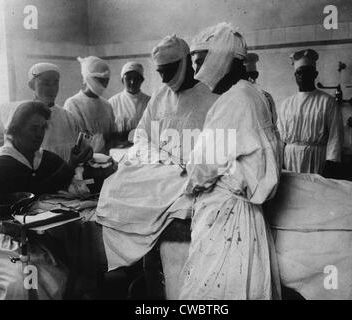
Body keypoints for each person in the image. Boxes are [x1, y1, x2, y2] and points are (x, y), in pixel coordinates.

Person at [95, 35, 219, 287]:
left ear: (185, 63)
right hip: (160, 169)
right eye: (160, 72)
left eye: (168, 71)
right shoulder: (161, 96)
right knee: (116, 186)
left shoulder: (210, 97)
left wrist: (190, 164)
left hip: (191, 175)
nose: (162, 79)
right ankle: (136, 272)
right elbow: (141, 136)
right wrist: (160, 158)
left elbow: (217, 147)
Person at [179, 22, 282, 300]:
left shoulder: (234, 100)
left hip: (228, 217)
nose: (199, 72)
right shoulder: (255, 94)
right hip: (247, 212)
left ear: (221, 59)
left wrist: (188, 175)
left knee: (214, 292)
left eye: (201, 62)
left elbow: (203, 167)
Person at [0, 101, 93, 300]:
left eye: (43, 128)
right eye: (33, 128)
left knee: (55, 276)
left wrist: (83, 161)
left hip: (30, 233)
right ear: (16, 130)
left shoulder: (43, 157)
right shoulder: (2, 162)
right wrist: (70, 164)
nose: (39, 134)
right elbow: (32, 190)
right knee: (20, 280)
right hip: (0, 233)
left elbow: (68, 178)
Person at [277, 49, 344, 175]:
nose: (302, 76)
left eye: (307, 72)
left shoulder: (327, 102)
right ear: (295, 76)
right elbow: (280, 138)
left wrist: (331, 162)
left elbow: (336, 136)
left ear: (315, 74)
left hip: (316, 159)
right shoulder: (286, 104)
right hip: (290, 159)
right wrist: (278, 161)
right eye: (299, 73)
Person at [0, 63, 81, 162]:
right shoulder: (21, 117)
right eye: (45, 83)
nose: (52, 89)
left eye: (55, 83)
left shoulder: (68, 117)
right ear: (32, 85)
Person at [64, 56, 116, 153]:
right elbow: (76, 140)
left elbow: (112, 137)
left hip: (106, 160)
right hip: (83, 160)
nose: (104, 84)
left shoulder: (107, 105)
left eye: (106, 80)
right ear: (88, 78)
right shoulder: (73, 104)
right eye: (100, 80)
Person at [108, 62, 150, 146]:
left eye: (136, 78)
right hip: (118, 151)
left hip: (144, 149)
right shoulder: (113, 102)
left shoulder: (150, 102)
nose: (132, 82)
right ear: (122, 80)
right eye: (128, 78)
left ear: (142, 80)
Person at [244, 52, 278, 125]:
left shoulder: (266, 96)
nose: (251, 79)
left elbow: (274, 122)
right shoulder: (236, 97)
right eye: (248, 76)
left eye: (254, 76)